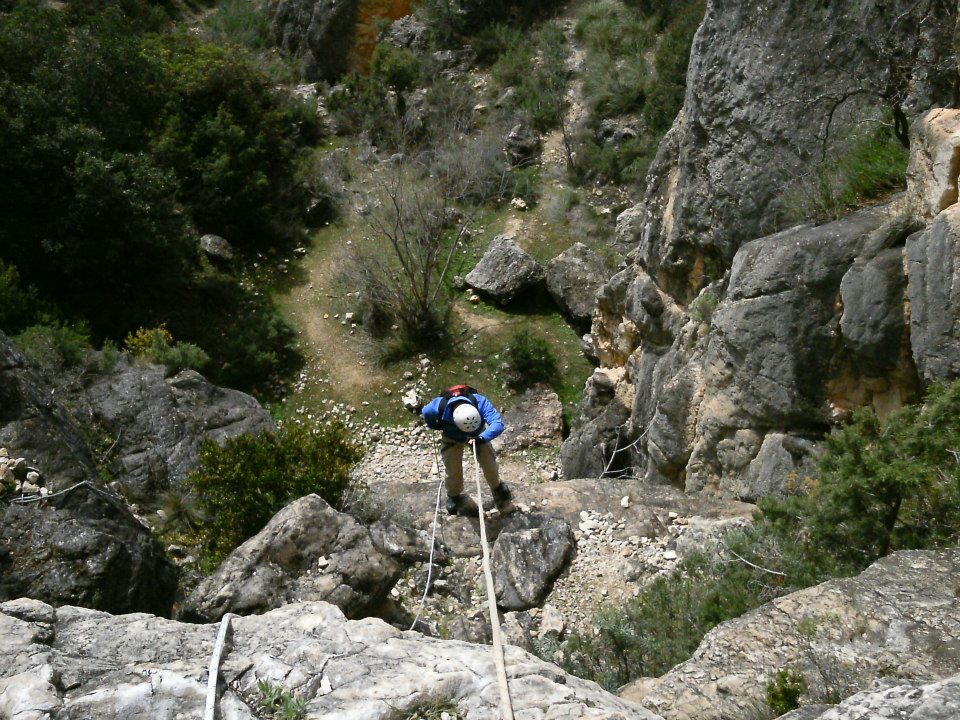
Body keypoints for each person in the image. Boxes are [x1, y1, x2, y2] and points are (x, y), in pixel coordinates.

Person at [421, 384, 513, 516]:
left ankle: (497, 489)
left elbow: (497, 423)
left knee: (489, 464)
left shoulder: (480, 402)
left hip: (478, 435)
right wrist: (436, 425)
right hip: (452, 436)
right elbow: (426, 413)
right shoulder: (436, 408)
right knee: (453, 470)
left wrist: (482, 437)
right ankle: (455, 495)